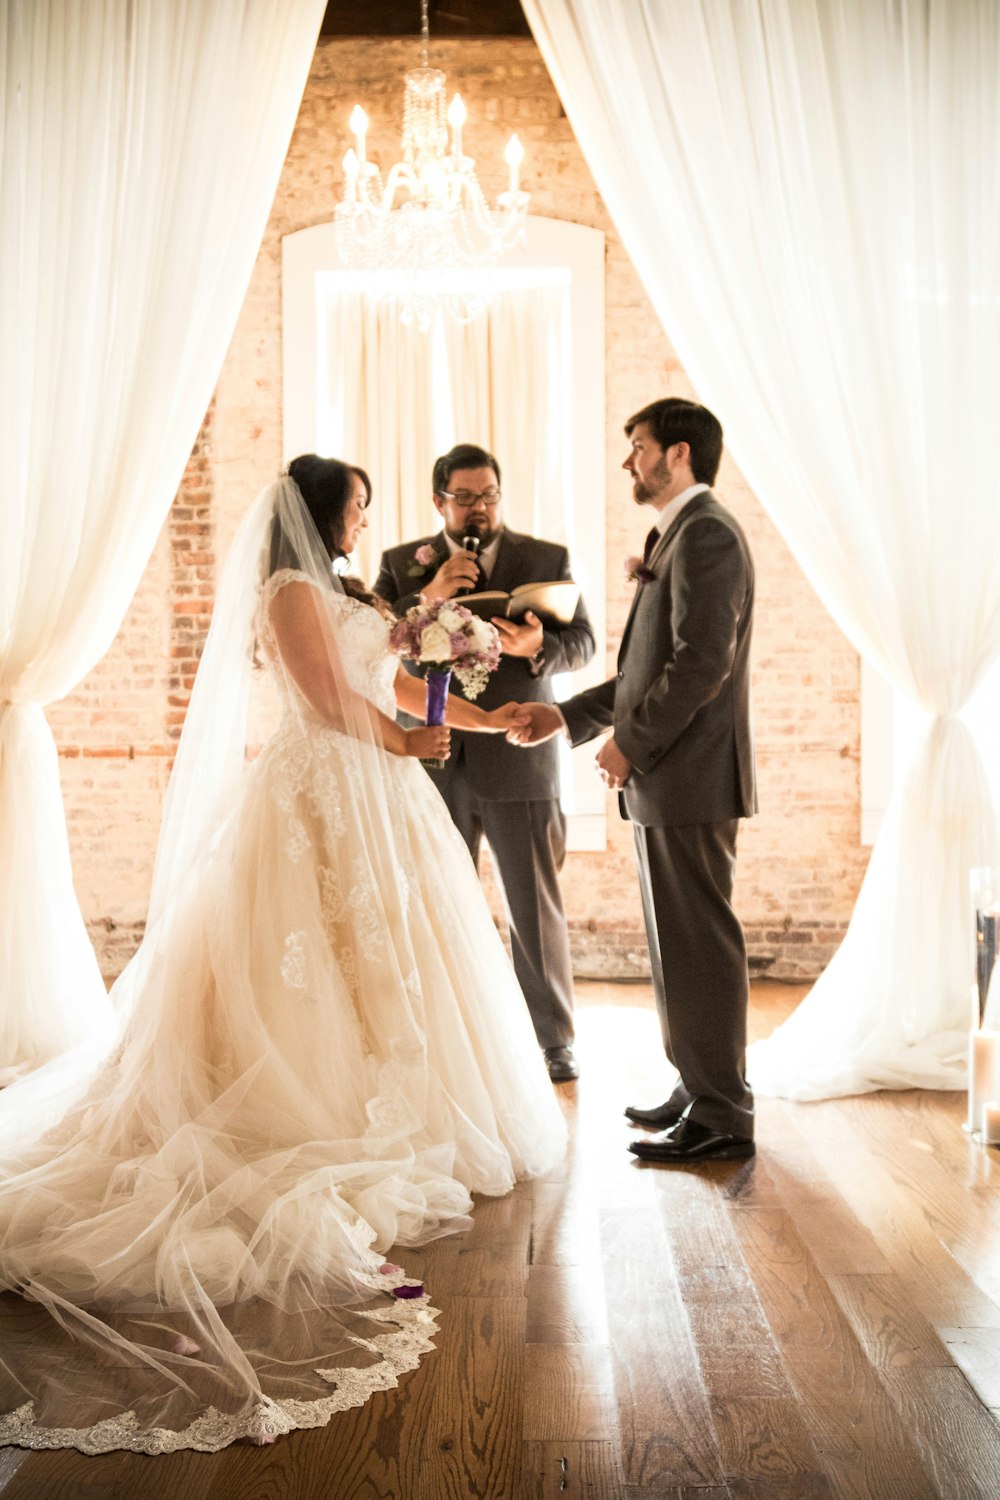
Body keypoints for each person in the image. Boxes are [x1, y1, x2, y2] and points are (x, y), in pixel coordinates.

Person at [0, 456, 566, 1455]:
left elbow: (393, 680)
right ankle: (317, 1105)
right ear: (317, 513)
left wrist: (491, 718)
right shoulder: (290, 590)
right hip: (320, 795)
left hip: (377, 793)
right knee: (313, 964)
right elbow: (321, 698)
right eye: (353, 506)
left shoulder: (348, 589)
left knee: (398, 963)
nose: (361, 521)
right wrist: (402, 747)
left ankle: (406, 1098)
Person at [510, 400, 757, 1163]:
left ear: (676, 454)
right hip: (671, 776)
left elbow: (699, 666)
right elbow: (649, 667)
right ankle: (698, 1083)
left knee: (699, 942)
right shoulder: (681, 533)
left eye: (638, 448)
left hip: (688, 773)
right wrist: (567, 718)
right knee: (675, 945)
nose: (629, 463)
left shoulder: (707, 534)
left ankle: (722, 1114)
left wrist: (629, 745)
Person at [375, 444, 595, 1083]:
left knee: (533, 903)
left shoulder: (545, 559)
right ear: (439, 501)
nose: (480, 508)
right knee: (433, 898)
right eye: (467, 497)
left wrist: (538, 648)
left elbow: (582, 643)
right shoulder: (399, 565)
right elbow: (378, 647)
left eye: (490, 494)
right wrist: (429, 595)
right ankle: (444, 1034)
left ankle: (551, 1040)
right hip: (430, 751)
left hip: (519, 747)